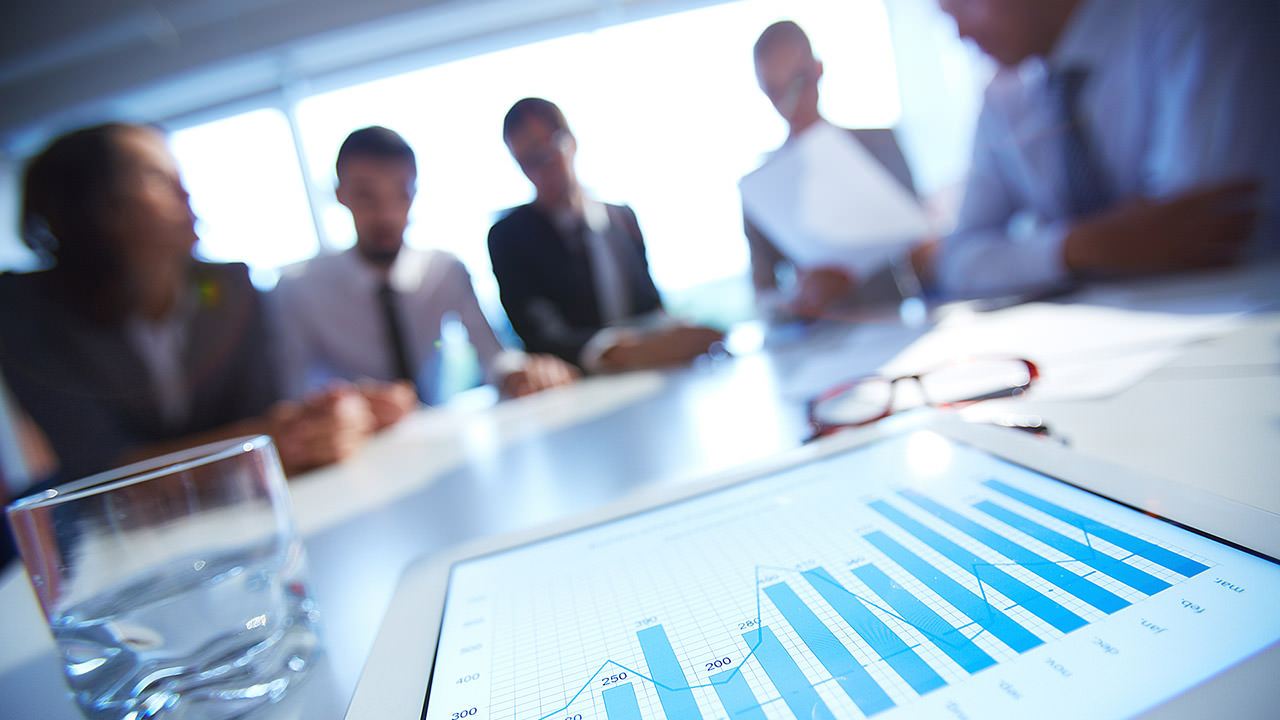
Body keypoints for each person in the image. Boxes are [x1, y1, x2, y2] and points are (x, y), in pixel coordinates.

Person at [0, 123, 375, 485]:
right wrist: (267, 439)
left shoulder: (230, 288)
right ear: (95, 206)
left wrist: (323, 421)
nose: (185, 192)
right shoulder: (25, 310)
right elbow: (97, 467)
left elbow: (267, 414)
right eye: (156, 177)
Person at [921, 0, 1277, 299]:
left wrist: (1022, 257)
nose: (960, 33)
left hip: (1234, 307)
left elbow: (1198, 229)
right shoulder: (1003, 95)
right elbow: (957, 259)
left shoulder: (1190, 16)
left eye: (964, 3)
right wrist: (1077, 247)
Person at [273, 126, 577, 416]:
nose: (387, 214)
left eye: (401, 194)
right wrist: (347, 407)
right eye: (367, 195)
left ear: (415, 192)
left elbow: (493, 357)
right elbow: (291, 395)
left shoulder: (444, 270)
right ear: (341, 195)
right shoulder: (297, 290)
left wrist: (522, 373)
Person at [488, 98, 724, 372]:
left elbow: (650, 304)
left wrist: (673, 331)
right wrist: (621, 351)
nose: (540, 171)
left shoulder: (622, 219)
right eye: (526, 163)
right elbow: (541, 336)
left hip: (656, 377)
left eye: (545, 153)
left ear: (569, 141)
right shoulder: (509, 238)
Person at [747, 20, 919, 318]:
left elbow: (920, 241)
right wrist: (796, 297)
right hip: (820, 338)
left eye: (798, 80)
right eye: (776, 90)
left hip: (896, 316)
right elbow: (762, 294)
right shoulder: (761, 187)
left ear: (818, 70)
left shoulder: (881, 145)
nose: (789, 101)